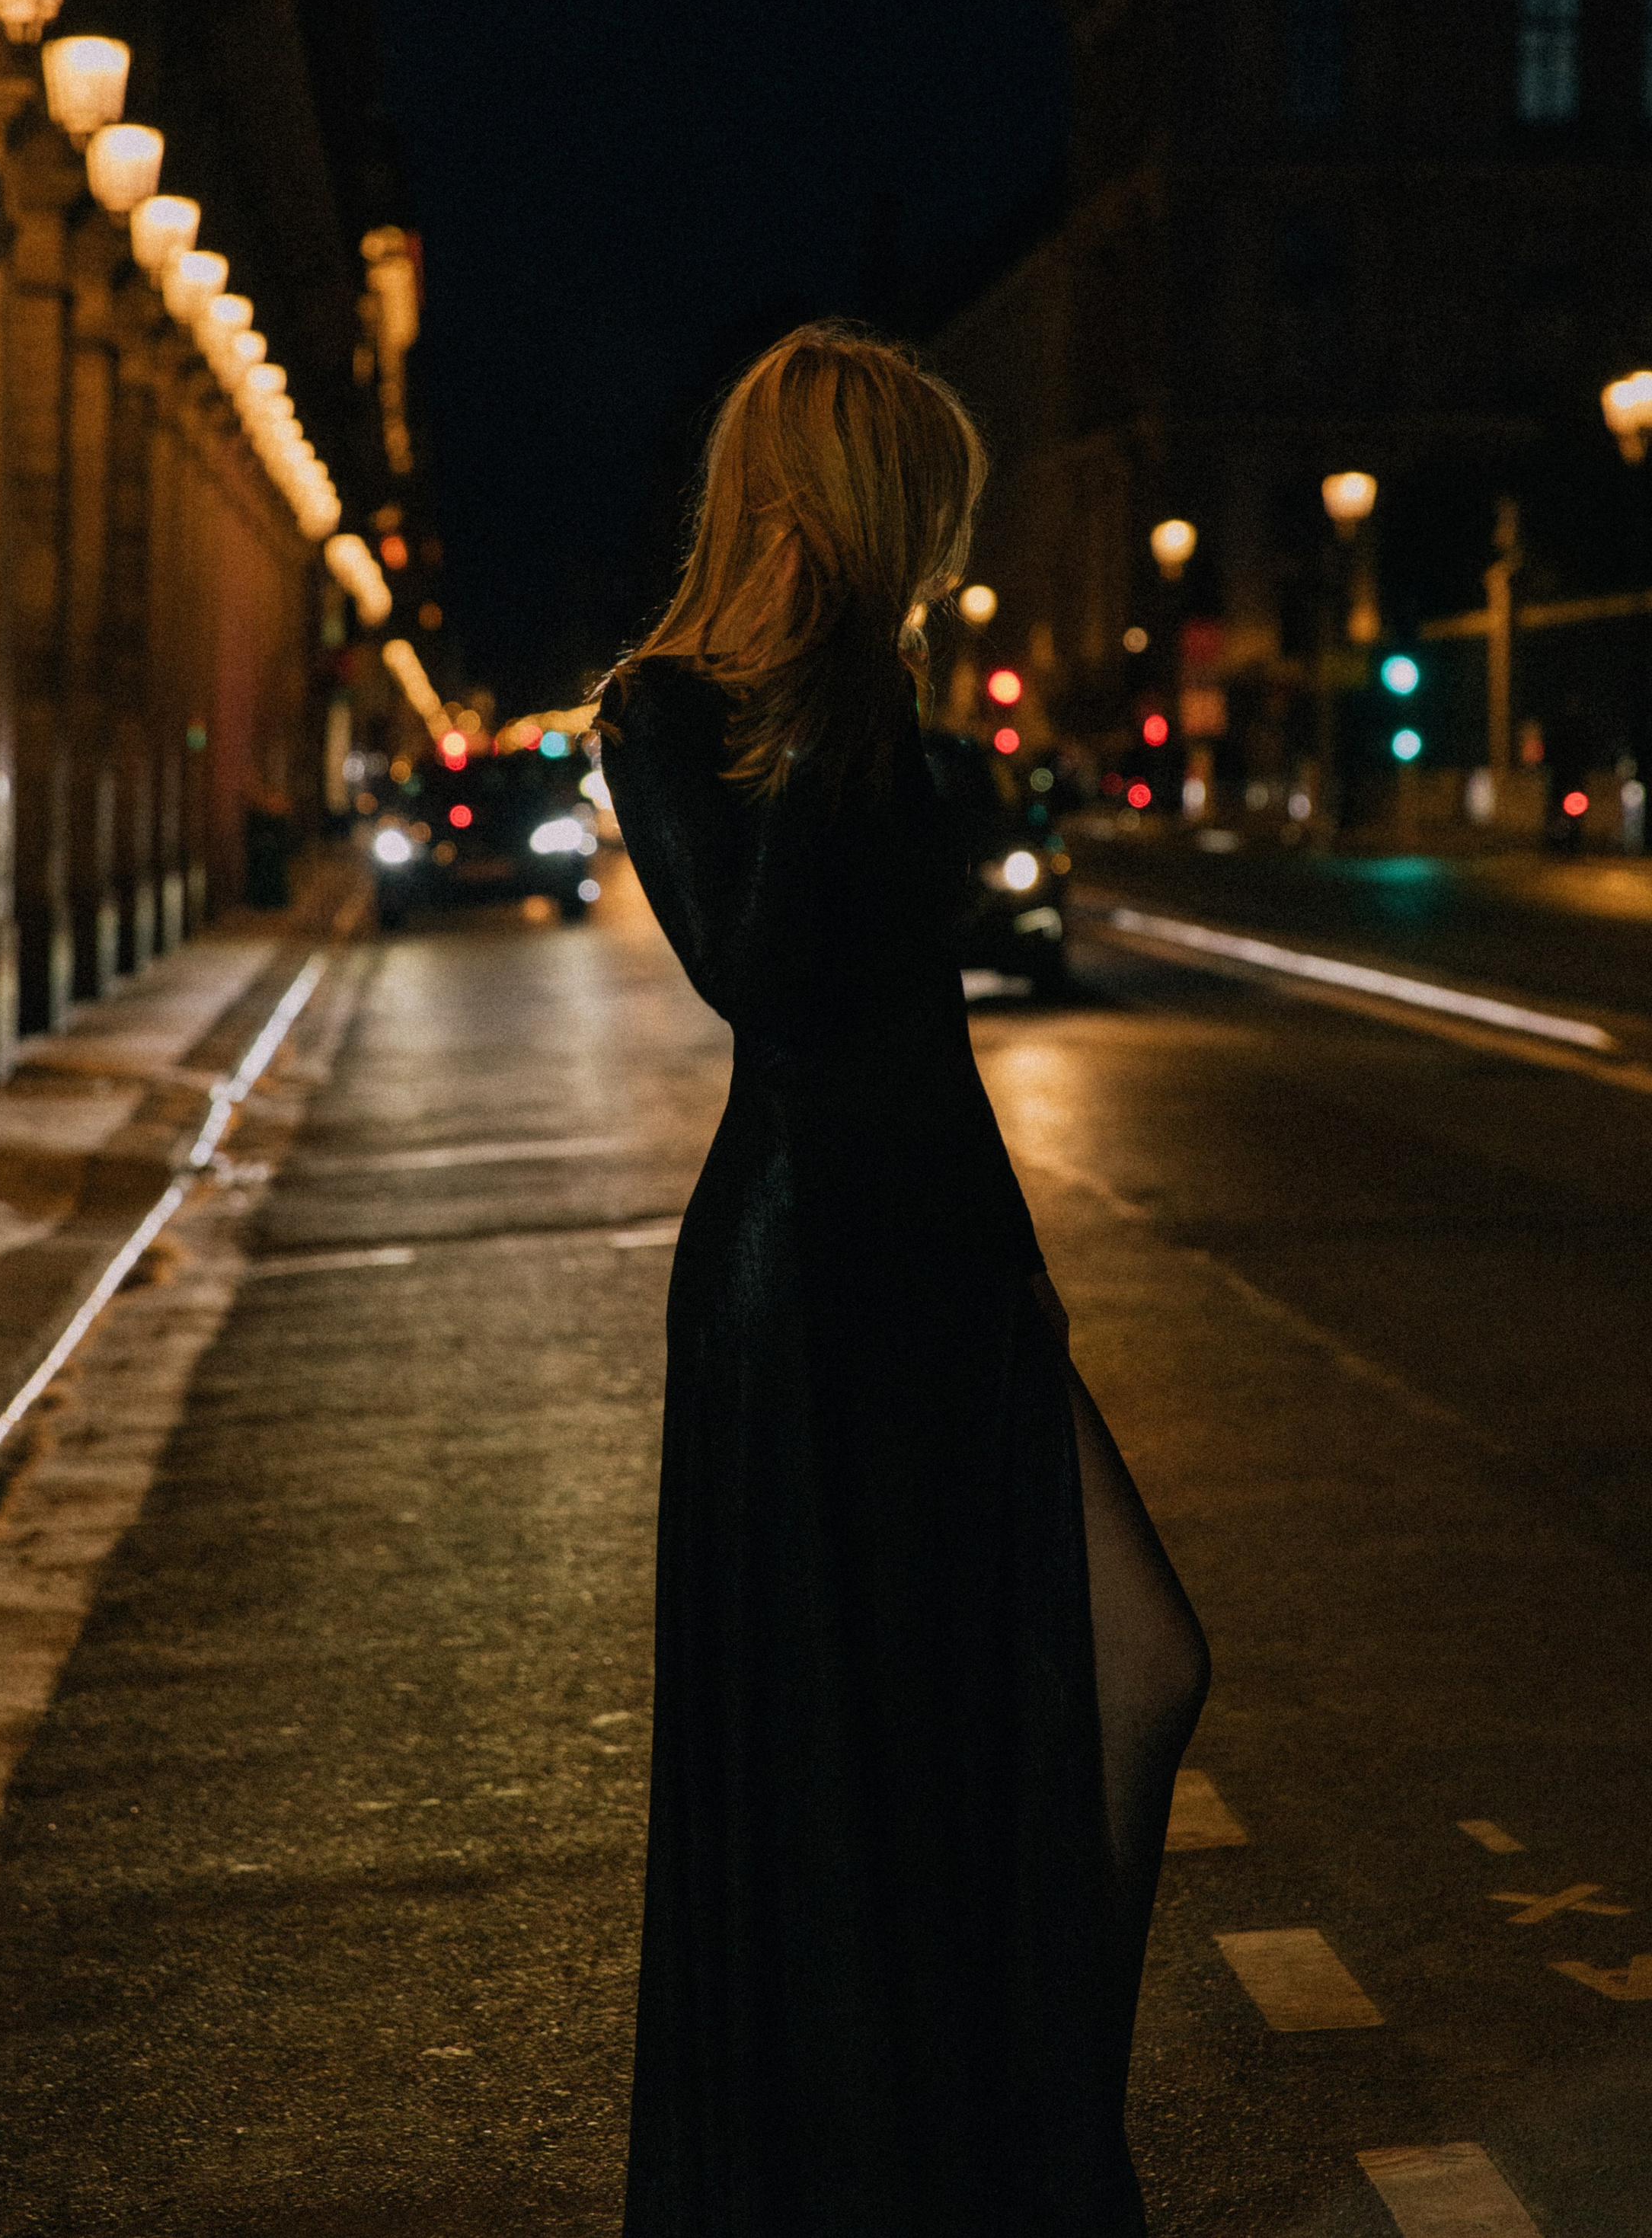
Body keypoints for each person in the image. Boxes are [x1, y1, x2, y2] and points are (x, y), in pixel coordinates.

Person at [599, 322, 1208, 2236]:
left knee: (1134, 1663)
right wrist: (831, 672)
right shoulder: (669, 710)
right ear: (849, 507)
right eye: (923, 512)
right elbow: (771, 974)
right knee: (836, 1773)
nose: (945, 549)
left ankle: (1023, 2145)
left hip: (949, 1269)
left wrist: (1025, 1302)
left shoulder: (894, 726)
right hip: (802, 1291)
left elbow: (934, 1036)